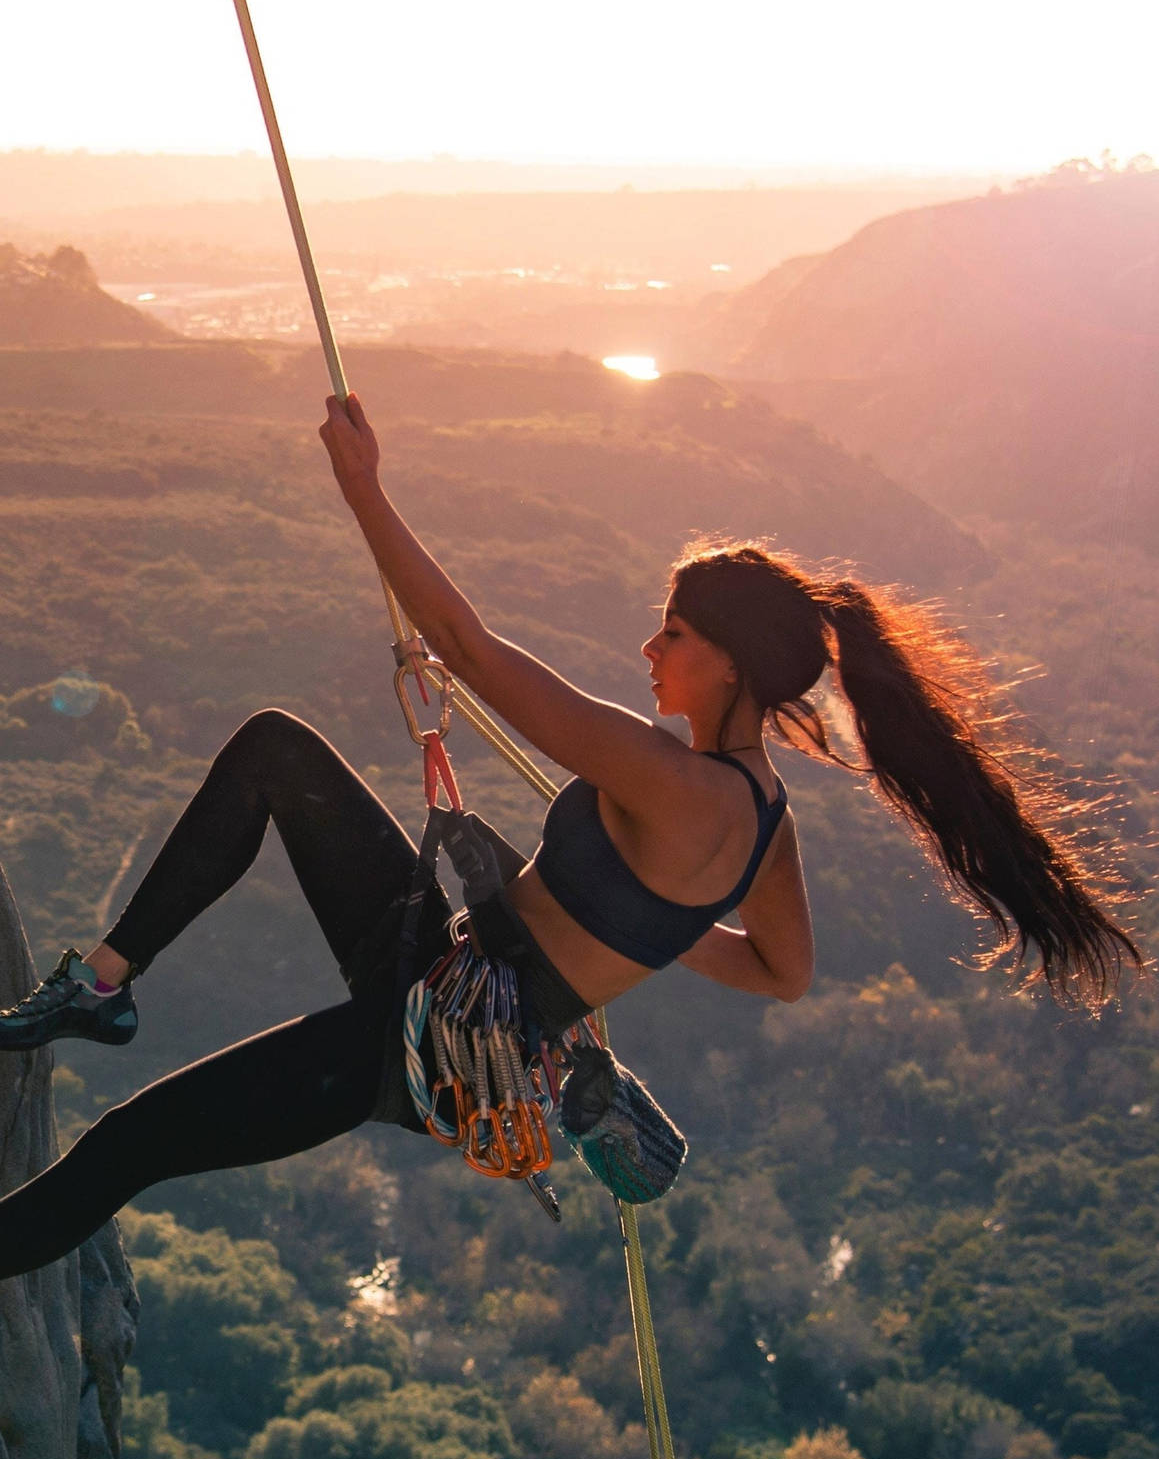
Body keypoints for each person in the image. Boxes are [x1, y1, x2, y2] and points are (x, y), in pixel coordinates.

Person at [0, 395, 1141, 1279]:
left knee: (119, 1154)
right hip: (443, 957)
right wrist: (657, 932)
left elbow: (469, 638)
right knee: (275, 750)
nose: (650, 648)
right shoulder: (758, 823)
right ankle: (104, 987)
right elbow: (783, 975)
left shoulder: (675, 785)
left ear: (731, 664)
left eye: (674, 631)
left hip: (421, 1046)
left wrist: (363, 491)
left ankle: (99, 1019)